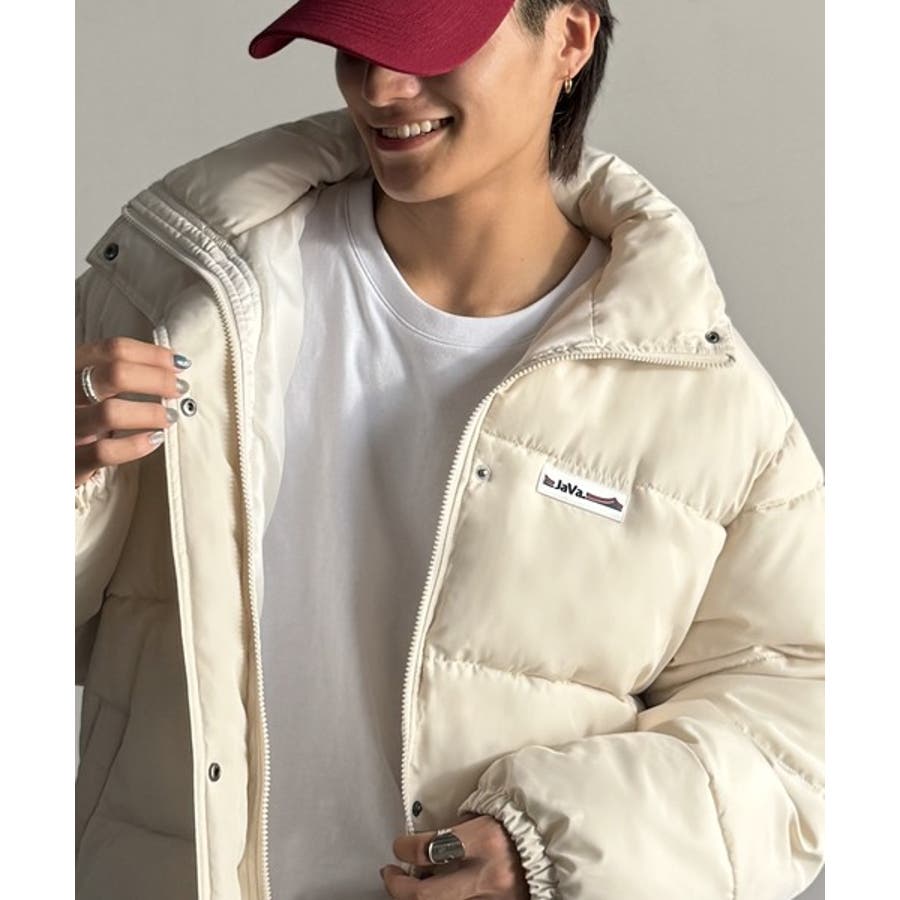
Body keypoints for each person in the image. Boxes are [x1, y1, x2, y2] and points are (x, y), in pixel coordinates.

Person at [74, 1, 826, 898]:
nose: (381, 87)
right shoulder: (178, 299)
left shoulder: (700, 399)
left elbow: (807, 726)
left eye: (428, 45)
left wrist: (553, 845)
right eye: (356, 44)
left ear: (570, 37)